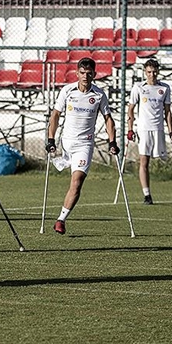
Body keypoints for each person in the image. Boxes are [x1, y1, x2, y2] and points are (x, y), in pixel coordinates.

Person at [46, 57, 118, 234]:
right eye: (82, 73)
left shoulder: (99, 95)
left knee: (77, 182)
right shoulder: (67, 91)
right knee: (71, 176)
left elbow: (108, 119)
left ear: (94, 74)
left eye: (89, 73)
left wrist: (112, 141)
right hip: (67, 141)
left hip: (84, 144)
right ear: (77, 73)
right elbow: (55, 115)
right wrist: (50, 139)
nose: (85, 76)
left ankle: (61, 220)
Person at [126, 58, 172, 205]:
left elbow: (167, 111)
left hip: (158, 128)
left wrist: (171, 130)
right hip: (143, 128)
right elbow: (131, 108)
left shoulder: (165, 88)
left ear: (158, 72)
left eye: (154, 72)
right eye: (149, 72)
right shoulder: (138, 87)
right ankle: (147, 195)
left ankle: (162, 187)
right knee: (144, 161)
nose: (152, 75)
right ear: (145, 72)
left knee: (161, 159)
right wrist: (130, 129)